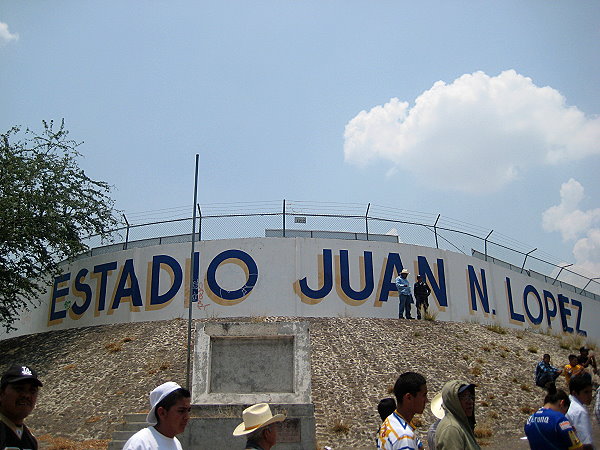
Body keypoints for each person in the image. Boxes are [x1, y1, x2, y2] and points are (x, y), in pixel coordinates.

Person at [123, 381, 191, 450]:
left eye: (188, 410)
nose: (187, 417)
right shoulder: (140, 443)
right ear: (162, 413)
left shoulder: (177, 444)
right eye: (181, 411)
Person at [376, 371, 428, 449]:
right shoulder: (404, 437)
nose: (426, 400)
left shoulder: (389, 421)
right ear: (409, 398)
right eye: (424, 395)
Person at [524, 384, 583, 449]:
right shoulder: (559, 418)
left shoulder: (530, 420)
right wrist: (573, 434)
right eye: (565, 412)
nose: (564, 415)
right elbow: (577, 448)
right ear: (562, 403)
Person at [0, 365, 43, 450]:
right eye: (19, 389)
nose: (26, 395)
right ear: (1, 394)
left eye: (32, 391)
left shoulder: (29, 439)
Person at [435, 381, 480, 450]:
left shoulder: (460, 424)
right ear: (452, 401)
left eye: (470, 396)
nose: (470, 401)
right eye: (464, 397)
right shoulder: (452, 428)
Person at [566, 375, 594, 450]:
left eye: (591, 391)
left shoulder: (566, 405)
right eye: (586, 392)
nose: (590, 396)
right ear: (574, 393)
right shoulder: (579, 411)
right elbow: (586, 443)